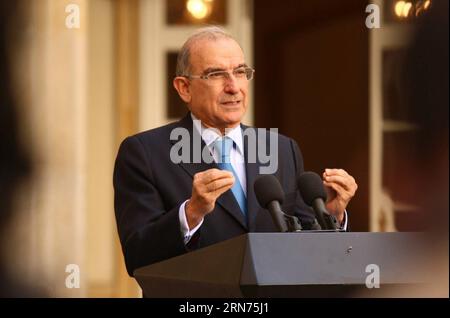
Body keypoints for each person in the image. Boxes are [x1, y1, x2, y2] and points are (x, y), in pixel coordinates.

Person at [113, 26, 358, 277]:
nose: (233, 87)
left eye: (240, 72)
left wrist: (332, 215)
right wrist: (190, 213)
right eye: (216, 74)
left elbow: (312, 256)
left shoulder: (282, 149)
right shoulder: (144, 153)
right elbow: (137, 257)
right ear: (184, 87)